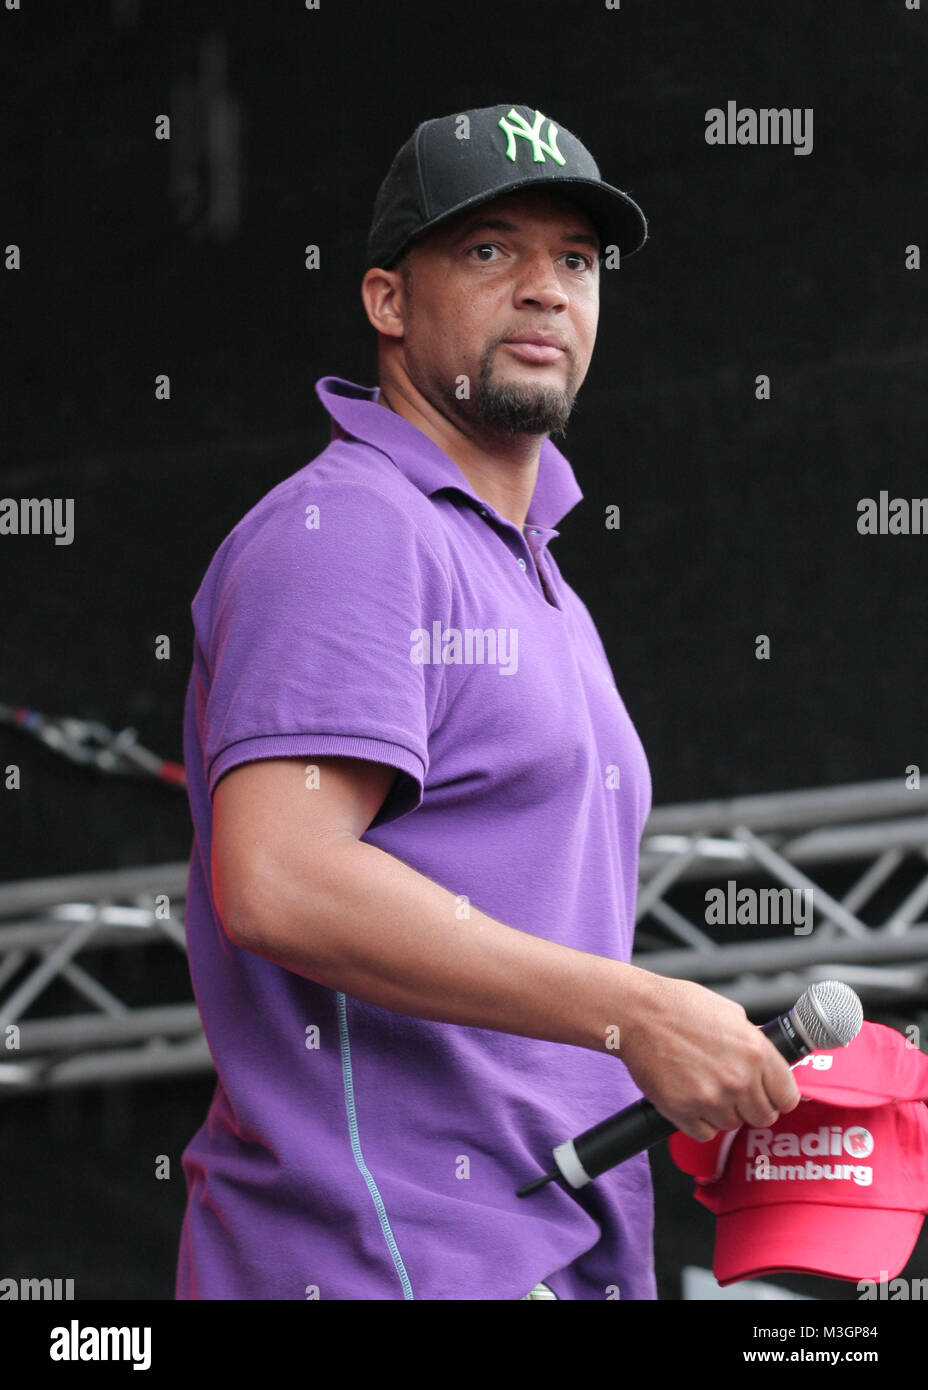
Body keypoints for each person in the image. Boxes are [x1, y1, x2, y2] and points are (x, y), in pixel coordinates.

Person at [174, 102, 800, 1302]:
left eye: (575, 259)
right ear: (386, 303)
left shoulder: (535, 570)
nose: (545, 290)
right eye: (488, 250)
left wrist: (710, 1070)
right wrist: (638, 1015)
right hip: (382, 1253)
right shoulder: (351, 529)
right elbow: (280, 877)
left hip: (537, 1242)